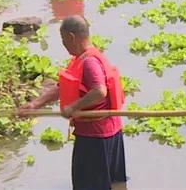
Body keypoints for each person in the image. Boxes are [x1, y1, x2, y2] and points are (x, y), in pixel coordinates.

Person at [21, 16, 126, 190]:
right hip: (109, 133)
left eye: (63, 40)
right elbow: (62, 87)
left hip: (96, 137)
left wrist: (73, 107)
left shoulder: (89, 62)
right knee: (113, 184)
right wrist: (35, 104)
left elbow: (99, 91)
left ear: (71, 37)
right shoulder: (82, 57)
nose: (63, 45)